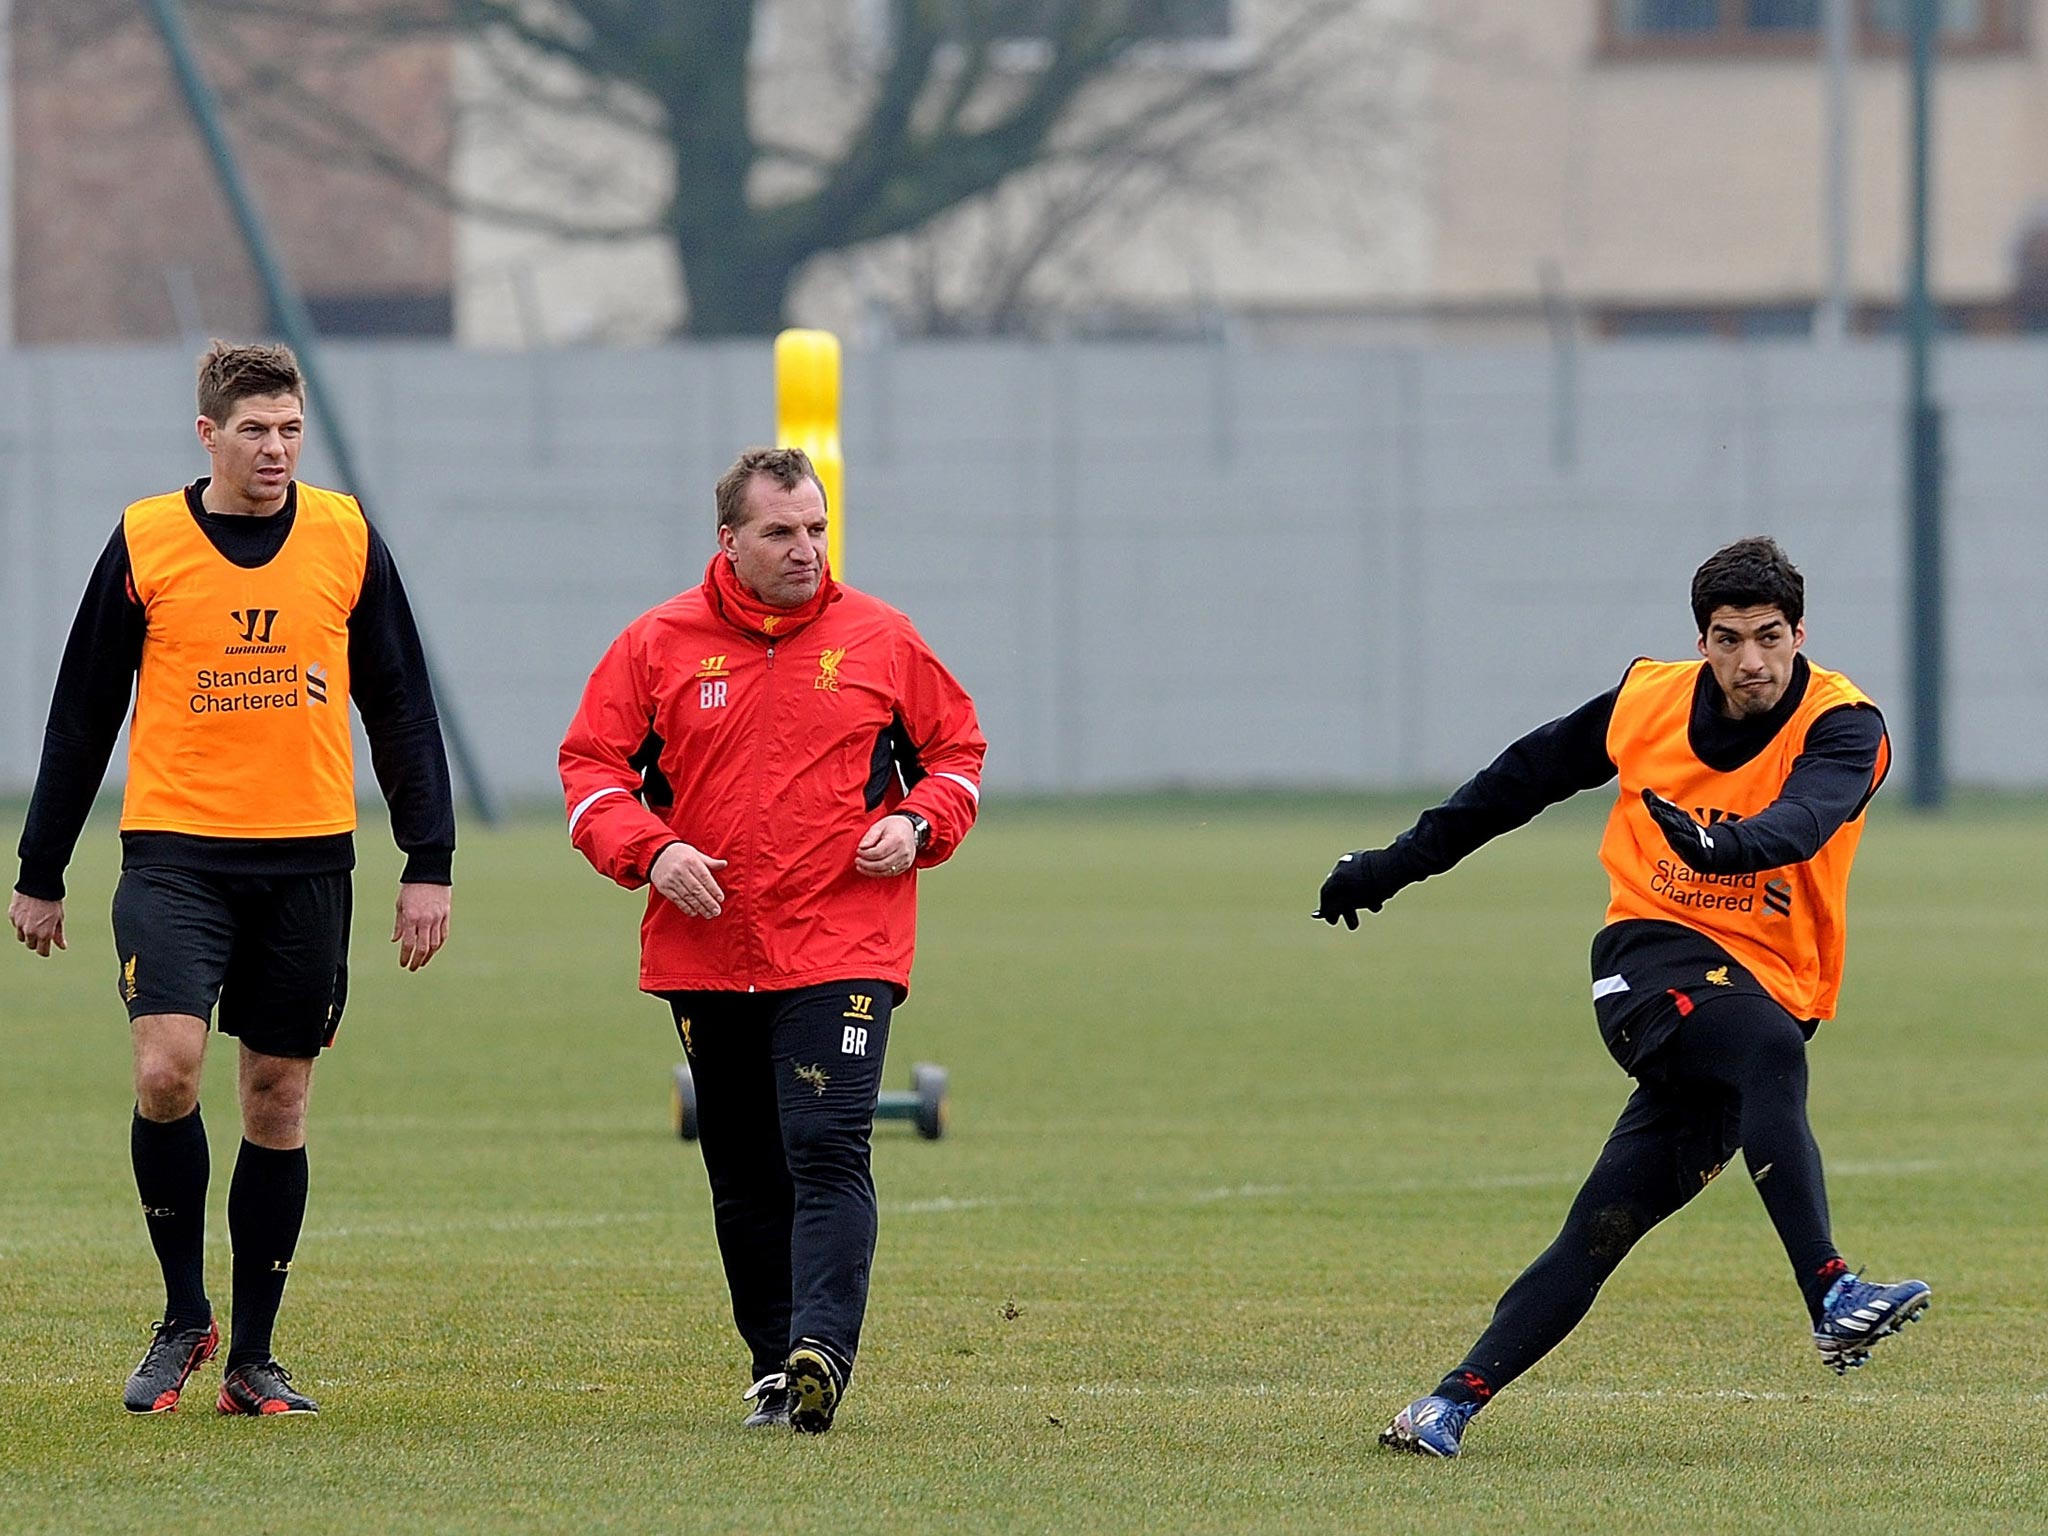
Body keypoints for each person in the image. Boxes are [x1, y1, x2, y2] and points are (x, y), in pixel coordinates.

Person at [1314, 537, 1928, 1459]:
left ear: (1801, 634)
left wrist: (1726, 847)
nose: (1750, 662)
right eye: (1727, 639)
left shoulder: (1845, 725)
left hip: (1765, 986)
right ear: (1702, 640)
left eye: (1769, 637)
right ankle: (1834, 1292)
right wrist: (1389, 867)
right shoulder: (1647, 701)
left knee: (1604, 1223)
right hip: (1650, 960)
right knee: (1768, 1049)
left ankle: (1443, 1407)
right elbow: (1514, 785)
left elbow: (1810, 818)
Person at [8, 341, 455, 1417]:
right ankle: (181, 1317)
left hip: (307, 860)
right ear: (206, 432)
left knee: (277, 1097)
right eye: (254, 429)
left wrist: (426, 863)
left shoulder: (346, 537)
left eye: (291, 428)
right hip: (174, 855)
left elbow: (397, 702)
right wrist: (41, 868)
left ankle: (254, 1356)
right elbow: (81, 712)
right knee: (167, 1069)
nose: (276, 448)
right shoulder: (147, 539)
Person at [560, 446, 985, 1435]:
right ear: (729, 540)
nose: (805, 550)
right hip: (706, 952)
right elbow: (589, 769)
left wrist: (916, 825)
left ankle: (822, 1350)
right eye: (780, 533)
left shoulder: (881, 637)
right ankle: (774, 1367)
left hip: (842, 944)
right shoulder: (657, 643)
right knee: (743, 1167)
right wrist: (649, 851)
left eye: (815, 530)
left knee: (826, 1142)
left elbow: (958, 752)